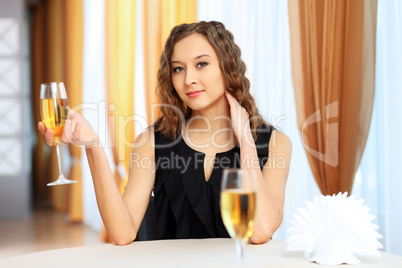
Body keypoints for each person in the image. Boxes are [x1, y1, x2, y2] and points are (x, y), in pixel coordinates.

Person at [38, 21, 292, 245]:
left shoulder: (275, 144)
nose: (188, 79)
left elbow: (260, 231)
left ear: (228, 68)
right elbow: (122, 232)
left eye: (201, 64)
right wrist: (93, 145)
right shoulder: (152, 141)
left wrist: (246, 142)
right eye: (178, 69)